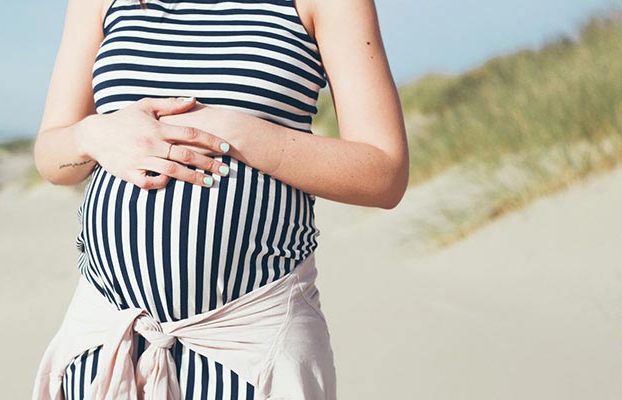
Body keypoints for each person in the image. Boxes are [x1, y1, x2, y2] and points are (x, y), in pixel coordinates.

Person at [32, 0, 408, 398]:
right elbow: (53, 159)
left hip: (251, 351)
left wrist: (237, 132)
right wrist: (90, 136)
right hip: (108, 343)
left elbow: (384, 174)